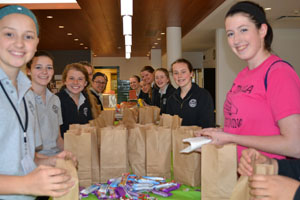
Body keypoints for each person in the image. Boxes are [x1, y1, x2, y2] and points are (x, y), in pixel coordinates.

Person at [195, 1, 300, 160]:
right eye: (230, 34)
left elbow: (295, 145)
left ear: (262, 30)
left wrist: (231, 138)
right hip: (238, 174)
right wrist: (220, 133)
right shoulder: (242, 76)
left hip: (266, 178)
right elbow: (249, 128)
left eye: (243, 30)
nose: (236, 40)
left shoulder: (279, 73)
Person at [0, 5, 76, 199]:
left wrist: (48, 162)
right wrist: (26, 183)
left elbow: (19, 158)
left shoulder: (24, 93)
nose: (19, 44)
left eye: (28, 36)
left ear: (36, 43)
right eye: (9, 34)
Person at [26, 50, 64, 156]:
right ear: (28, 71)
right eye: (38, 67)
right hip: (34, 161)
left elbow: (58, 138)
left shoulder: (55, 100)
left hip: (55, 156)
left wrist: (69, 153)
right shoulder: (23, 100)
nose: (44, 72)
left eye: (49, 67)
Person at [166, 58, 215, 128]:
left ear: (191, 73)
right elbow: (169, 125)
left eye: (183, 72)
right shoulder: (171, 98)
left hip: (198, 138)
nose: (179, 76)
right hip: (177, 138)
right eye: (176, 73)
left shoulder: (203, 95)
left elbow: (208, 125)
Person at [56, 63, 93, 138]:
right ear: (64, 81)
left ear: (85, 83)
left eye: (80, 79)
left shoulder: (87, 100)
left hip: (83, 145)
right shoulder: (56, 100)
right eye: (71, 78)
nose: (75, 82)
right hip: (63, 148)